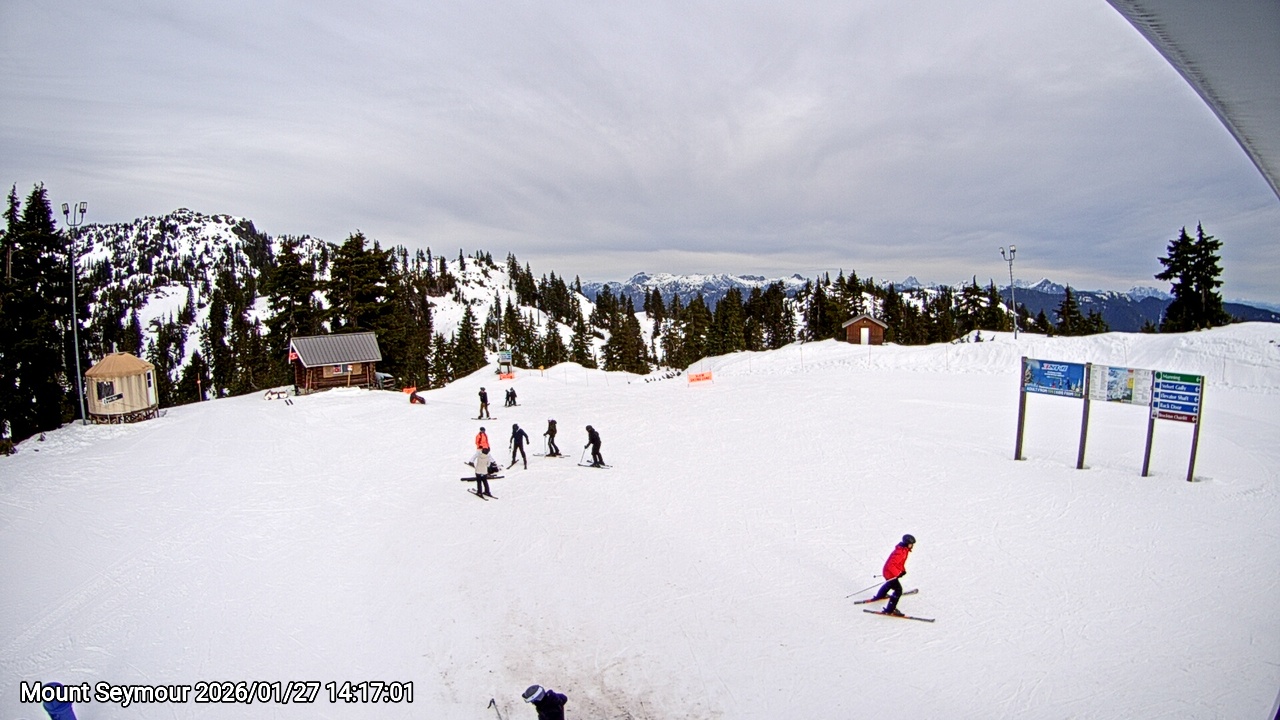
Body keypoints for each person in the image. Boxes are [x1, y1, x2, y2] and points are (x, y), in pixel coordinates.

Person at [871, 534, 915, 616]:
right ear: (906, 543)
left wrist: (902, 570)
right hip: (889, 573)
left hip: (889, 572)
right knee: (898, 590)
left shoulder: (904, 550)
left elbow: (900, 563)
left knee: (889, 584)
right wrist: (897, 573)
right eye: (910, 544)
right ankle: (890, 610)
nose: (912, 546)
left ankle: (880, 595)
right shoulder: (900, 552)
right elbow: (891, 565)